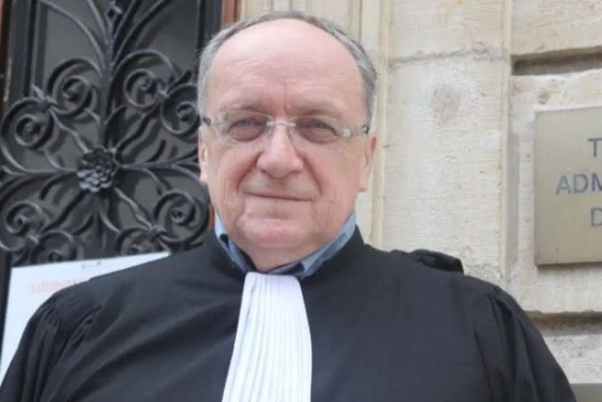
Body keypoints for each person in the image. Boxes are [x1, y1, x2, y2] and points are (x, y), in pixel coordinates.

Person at [0, 10, 576, 402]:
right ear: (204, 151)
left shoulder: (479, 330)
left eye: (318, 126)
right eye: (245, 123)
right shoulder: (79, 328)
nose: (278, 159)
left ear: (365, 159)